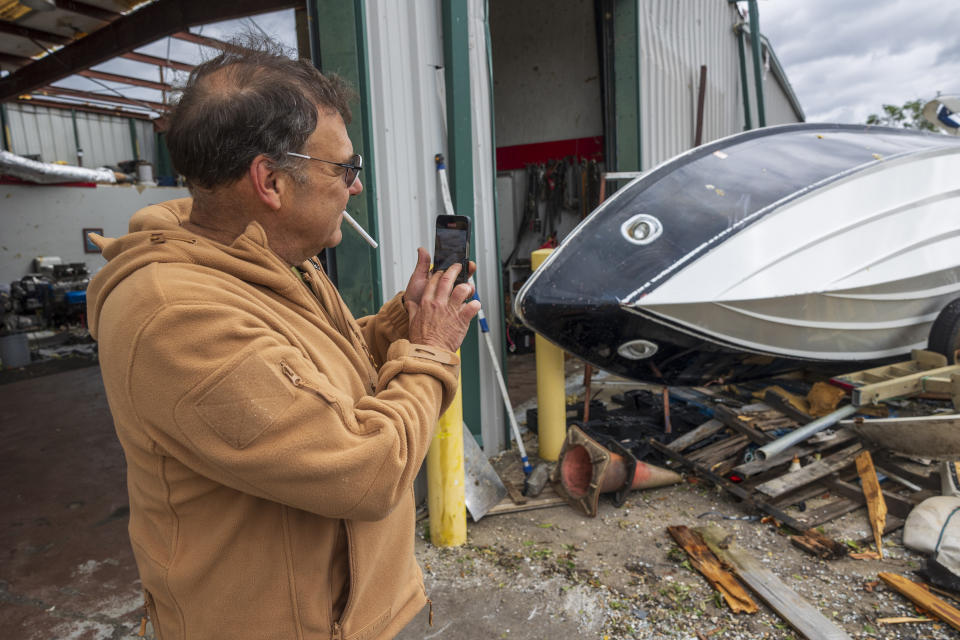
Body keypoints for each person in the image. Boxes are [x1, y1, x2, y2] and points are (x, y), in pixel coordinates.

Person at [86, 38, 480, 640]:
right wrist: (429, 352)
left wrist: (407, 322)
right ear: (270, 180)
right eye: (344, 168)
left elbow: (326, 375)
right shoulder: (175, 317)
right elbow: (368, 470)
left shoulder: (275, 261)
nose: (356, 188)